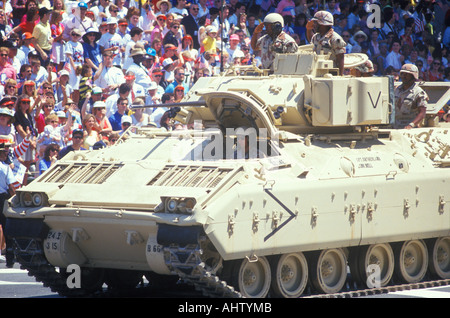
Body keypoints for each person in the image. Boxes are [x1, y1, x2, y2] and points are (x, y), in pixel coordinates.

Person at [306, 10, 346, 75]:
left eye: (316, 23)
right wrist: (308, 29)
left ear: (323, 24)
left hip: (331, 73)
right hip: (317, 71)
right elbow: (311, 40)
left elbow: (340, 58)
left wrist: (340, 76)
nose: (314, 25)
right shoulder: (317, 36)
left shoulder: (335, 38)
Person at [394, 64, 429, 129]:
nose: (403, 76)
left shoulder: (419, 93)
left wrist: (411, 125)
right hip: (395, 126)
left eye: (407, 74)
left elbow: (422, 113)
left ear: (413, 76)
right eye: (402, 74)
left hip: (409, 128)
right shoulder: (396, 90)